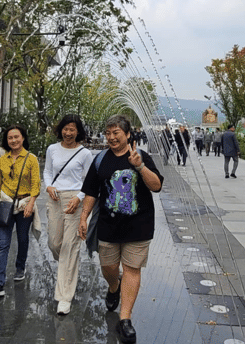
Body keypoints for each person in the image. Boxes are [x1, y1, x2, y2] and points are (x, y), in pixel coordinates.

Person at [78, 115, 163, 344]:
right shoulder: (100, 160)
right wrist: (84, 217)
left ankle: (125, 319)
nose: (111, 137)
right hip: (108, 225)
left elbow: (156, 186)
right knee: (108, 267)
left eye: (116, 133)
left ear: (127, 134)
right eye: (108, 133)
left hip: (139, 225)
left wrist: (140, 166)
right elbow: (91, 192)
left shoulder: (140, 156)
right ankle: (114, 286)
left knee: (132, 269)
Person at [43, 115, 94, 316]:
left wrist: (79, 198)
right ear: (60, 130)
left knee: (69, 247)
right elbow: (47, 171)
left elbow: (89, 181)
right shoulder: (52, 149)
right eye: (65, 128)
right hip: (55, 198)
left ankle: (64, 298)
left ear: (78, 131)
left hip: (75, 200)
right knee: (54, 244)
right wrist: (48, 186)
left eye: (72, 129)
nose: (68, 132)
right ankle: (68, 267)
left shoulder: (85, 153)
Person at [0, 125, 40, 297]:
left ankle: (20, 267)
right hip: (5, 204)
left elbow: (35, 184)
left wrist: (31, 204)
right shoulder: (3, 160)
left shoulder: (31, 159)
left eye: (16, 137)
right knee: (3, 243)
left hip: (24, 205)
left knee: (23, 239)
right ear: (6, 140)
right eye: (10, 138)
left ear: (23, 138)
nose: (13, 140)